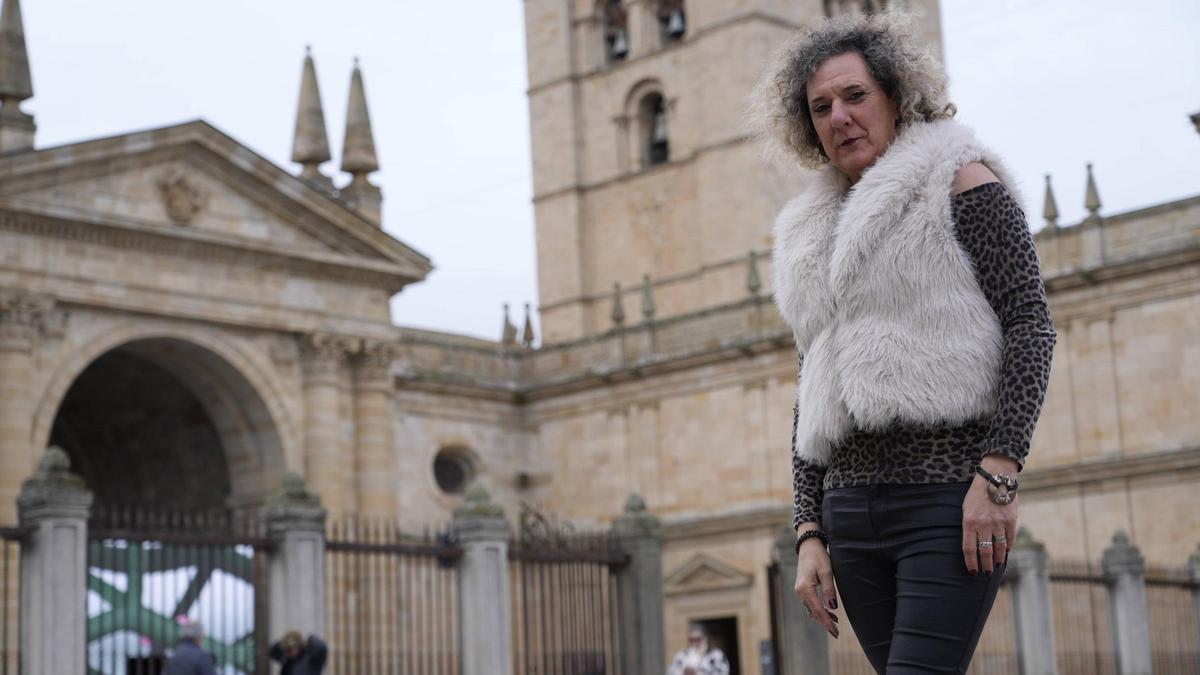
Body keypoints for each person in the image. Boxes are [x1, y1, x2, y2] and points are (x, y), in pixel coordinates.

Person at [757, 9, 1056, 674]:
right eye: (821, 106)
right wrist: (808, 530)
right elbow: (815, 387)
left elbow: (1031, 325)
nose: (839, 116)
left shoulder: (963, 181)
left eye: (855, 95)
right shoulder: (809, 233)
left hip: (946, 497)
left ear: (897, 95)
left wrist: (999, 473)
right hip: (848, 517)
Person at [666, 625, 730, 675]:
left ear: (705, 638)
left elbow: (722, 673)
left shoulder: (716, 655)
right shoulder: (681, 656)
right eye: (692, 640)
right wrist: (683, 672)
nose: (695, 643)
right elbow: (671, 672)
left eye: (698, 639)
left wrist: (697, 673)